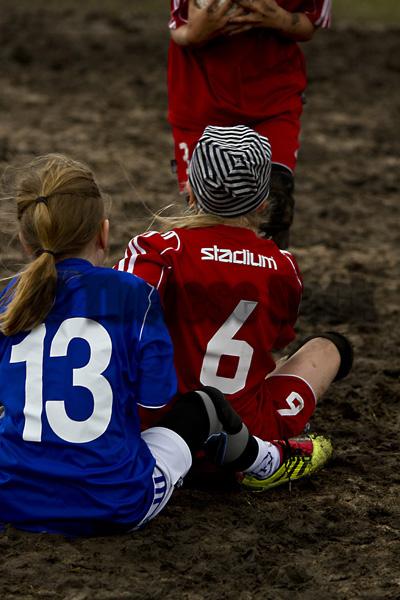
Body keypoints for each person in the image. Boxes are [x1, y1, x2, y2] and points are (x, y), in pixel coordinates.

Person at [0, 153, 284, 536]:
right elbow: (155, 400)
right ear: (103, 233)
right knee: (202, 407)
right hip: (113, 504)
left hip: (13, 501)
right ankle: (270, 460)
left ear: (24, 240)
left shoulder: (9, 300)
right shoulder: (133, 294)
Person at [116, 125, 353, 491]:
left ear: (190, 191)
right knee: (330, 347)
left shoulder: (159, 250)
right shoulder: (282, 267)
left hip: (159, 433)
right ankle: (271, 453)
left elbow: (119, 321)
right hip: (247, 435)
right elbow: (275, 342)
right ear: (263, 203)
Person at [168, 0, 332, 248]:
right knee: (204, 211)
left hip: (272, 99)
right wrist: (195, 33)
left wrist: (278, 18)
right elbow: (179, 28)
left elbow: (310, 22)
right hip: (201, 97)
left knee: (275, 203)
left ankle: (272, 271)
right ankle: (205, 272)